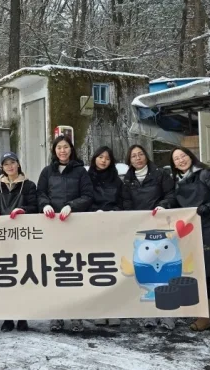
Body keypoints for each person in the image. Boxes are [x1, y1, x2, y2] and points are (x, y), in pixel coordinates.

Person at [158, 147, 210, 336]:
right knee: (203, 276)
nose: (181, 160)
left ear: (190, 157)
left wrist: (208, 208)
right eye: (176, 159)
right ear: (173, 164)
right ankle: (205, 317)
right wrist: (163, 206)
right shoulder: (178, 182)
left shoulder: (205, 174)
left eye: (183, 156)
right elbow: (176, 203)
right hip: (196, 233)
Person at [37, 135, 94, 332]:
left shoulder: (81, 172)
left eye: (66, 147)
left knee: (73, 272)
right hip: (52, 228)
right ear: (54, 150)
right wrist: (44, 205)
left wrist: (72, 206)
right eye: (59, 147)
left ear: (71, 149)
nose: (62, 151)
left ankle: (76, 315)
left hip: (74, 227)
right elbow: (40, 193)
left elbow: (88, 195)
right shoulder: (47, 172)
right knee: (55, 272)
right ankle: (57, 314)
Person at [121, 144, 176, 330]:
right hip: (140, 231)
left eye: (140, 154)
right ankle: (148, 314)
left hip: (161, 228)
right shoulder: (127, 180)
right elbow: (126, 202)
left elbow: (171, 194)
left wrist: (163, 205)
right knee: (146, 273)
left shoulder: (160, 174)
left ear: (146, 156)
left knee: (165, 271)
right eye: (133, 156)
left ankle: (168, 314)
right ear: (129, 160)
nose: (137, 158)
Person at [0, 152, 37, 332]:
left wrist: (23, 210)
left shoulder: (29, 185)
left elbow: (35, 206)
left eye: (13, 163)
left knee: (23, 277)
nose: (10, 166)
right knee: (5, 277)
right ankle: (7, 316)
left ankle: (23, 316)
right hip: (1, 238)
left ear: (18, 164)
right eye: (6, 164)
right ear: (2, 167)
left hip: (23, 236)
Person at [86, 146, 123, 327]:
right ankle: (99, 310)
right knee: (95, 268)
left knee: (111, 268)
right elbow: (84, 199)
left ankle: (114, 309)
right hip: (92, 227)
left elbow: (124, 201)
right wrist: (95, 211)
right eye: (100, 157)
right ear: (94, 158)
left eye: (107, 158)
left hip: (112, 226)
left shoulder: (116, 180)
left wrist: (112, 212)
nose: (103, 161)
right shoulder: (86, 178)